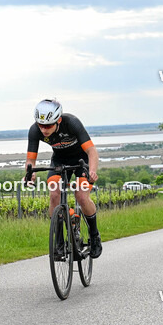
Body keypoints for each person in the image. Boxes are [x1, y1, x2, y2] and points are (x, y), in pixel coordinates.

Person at [23, 99, 102, 259]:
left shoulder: (71, 123)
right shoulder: (34, 130)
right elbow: (30, 160)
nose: (43, 129)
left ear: (58, 120)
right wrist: (30, 173)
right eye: (40, 125)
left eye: (48, 126)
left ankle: (94, 236)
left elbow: (92, 151)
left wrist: (92, 171)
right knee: (54, 194)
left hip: (81, 160)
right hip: (59, 160)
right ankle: (58, 243)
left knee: (81, 196)